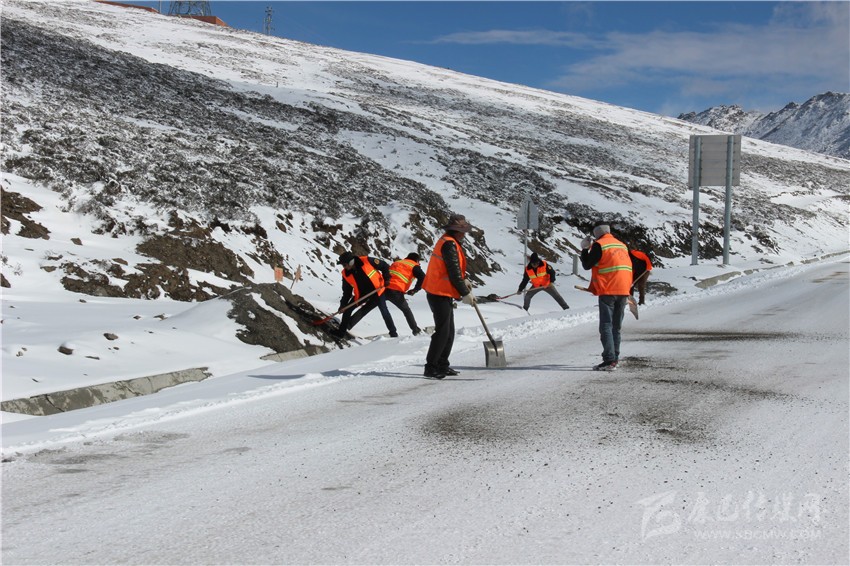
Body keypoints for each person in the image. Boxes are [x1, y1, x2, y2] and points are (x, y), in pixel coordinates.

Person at [421, 213, 474, 379]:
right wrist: (465, 293)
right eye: (462, 231)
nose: (464, 234)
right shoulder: (449, 244)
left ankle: (442, 365)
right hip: (438, 292)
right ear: (456, 231)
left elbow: (455, 270)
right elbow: (453, 273)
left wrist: (464, 280)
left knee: (449, 332)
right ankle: (431, 367)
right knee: (443, 332)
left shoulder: (451, 242)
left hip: (442, 292)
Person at [580, 224, 633, 371]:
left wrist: (584, 249)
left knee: (606, 325)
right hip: (624, 289)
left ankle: (609, 360)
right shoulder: (622, 245)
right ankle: (615, 358)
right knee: (616, 326)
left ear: (597, 235)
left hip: (608, 289)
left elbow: (587, 265)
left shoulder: (600, 245)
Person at [335, 251, 398, 338]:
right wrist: (343, 305)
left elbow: (384, 265)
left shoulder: (367, 261)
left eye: (344, 265)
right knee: (347, 310)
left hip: (377, 290)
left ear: (351, 262)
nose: (344, 267)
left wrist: (387, 278)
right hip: (361, 294)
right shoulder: (346, 274)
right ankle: (340, 333)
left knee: (384, 311)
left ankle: (393, 334)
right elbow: (347, 292)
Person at [384, 252, 426, 336]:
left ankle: (353, 323)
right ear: (416, 260)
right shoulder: (414, 265)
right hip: (396, 292)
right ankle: (415, 330)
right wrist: (415, 290)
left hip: (383, 289)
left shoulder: (397, 262)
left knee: (368, 307)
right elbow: (423, 278)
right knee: (406, 311)